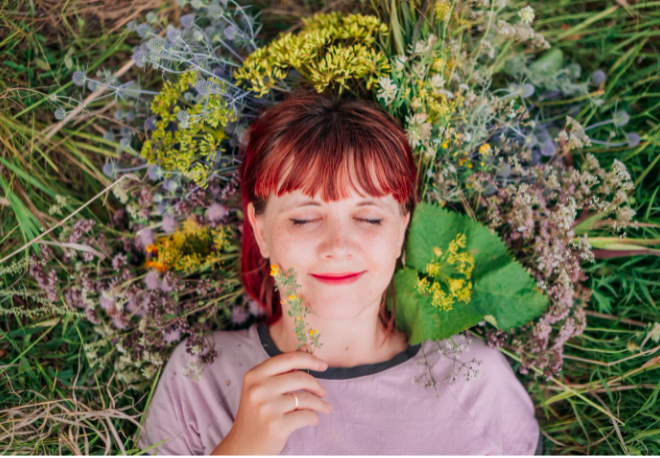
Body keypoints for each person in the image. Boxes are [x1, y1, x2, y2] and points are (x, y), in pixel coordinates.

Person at [137, 89, 543, 455]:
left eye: (368, 218)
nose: (338, 246)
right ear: (261, 232)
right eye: (303, 219)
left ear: (402, 229)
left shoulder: (476, 387)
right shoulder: (200, 376)